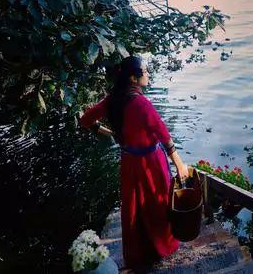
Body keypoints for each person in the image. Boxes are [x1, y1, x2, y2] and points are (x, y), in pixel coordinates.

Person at [79, 55, 188, 270]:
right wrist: (179, 163)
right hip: (150, 163)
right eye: (145, 71)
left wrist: (110, 133)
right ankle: (162, 246)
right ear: (132, 78)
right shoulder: (141, 103)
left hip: (129, 161)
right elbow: (163, 134)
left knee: (134, 207)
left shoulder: (112, 100)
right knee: (157, 203)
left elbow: (85, 120)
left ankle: (139, 253)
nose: (148, 74)